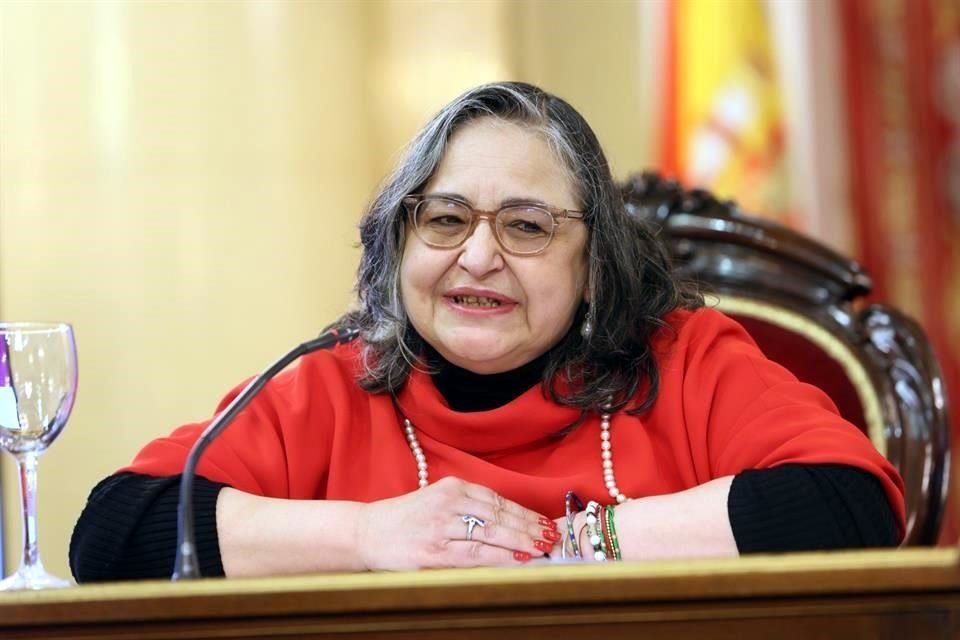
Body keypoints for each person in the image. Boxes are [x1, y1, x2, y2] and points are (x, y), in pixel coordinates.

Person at [70, 82, 903, 581]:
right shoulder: (335, 382)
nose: (477, 256)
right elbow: (114, 532)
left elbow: (849, 505)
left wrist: (575, 538)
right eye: (444, 218)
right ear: (399, 241)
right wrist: (369, 534)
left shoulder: (686, 361)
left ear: (595, 261)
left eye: (528, 227)